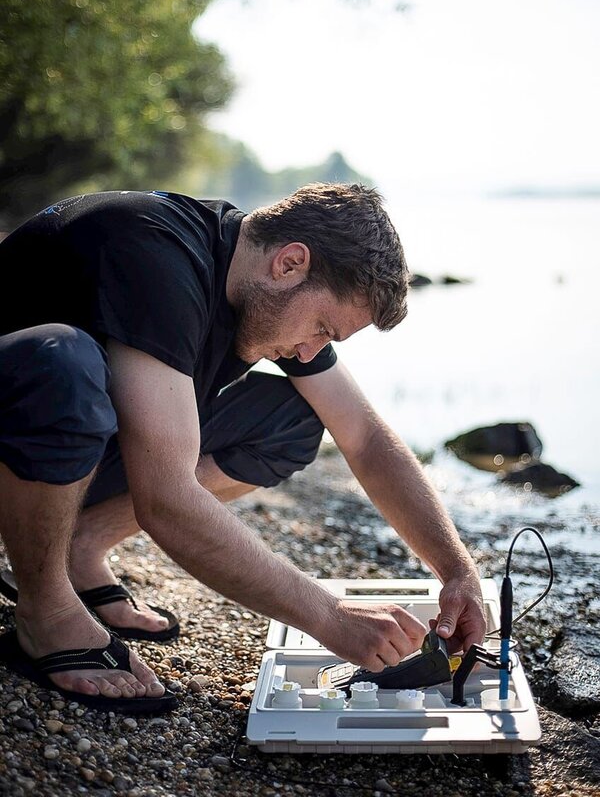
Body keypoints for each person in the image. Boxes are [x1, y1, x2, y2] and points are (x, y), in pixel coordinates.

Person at [0, 183, 486, 713]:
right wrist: (330, 617)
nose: (310, 352)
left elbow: (366, 439)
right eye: (322, 328)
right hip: (22, 427)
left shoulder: (250, 277)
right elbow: (167, 500)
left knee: (292, 421)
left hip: (59, 449)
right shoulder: (152, 252)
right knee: (64, 363)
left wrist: (457, 570)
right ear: (290, 263)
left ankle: (79, 545)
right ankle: (46, 609)